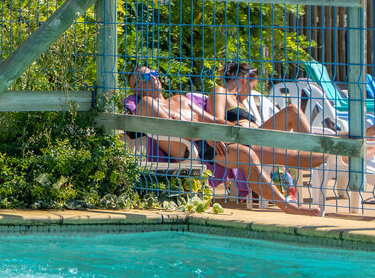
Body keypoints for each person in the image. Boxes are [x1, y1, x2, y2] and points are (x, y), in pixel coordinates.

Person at [127, 66, 320, 216]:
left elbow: (212, 120)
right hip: (192, 147)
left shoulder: (181, 99)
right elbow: (174, 128)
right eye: (145, 77)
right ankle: (288, 205)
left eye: (153, 73)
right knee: (250, 154)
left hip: (211, 140)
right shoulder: (145, 103)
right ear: (135, 88)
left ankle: (289, 201)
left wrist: (229, 129)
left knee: (250, 155)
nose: (153, 77)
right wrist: (210, 134)